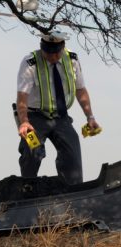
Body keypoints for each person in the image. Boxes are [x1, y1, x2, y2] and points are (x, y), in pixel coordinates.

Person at [16, 30, 100, 185]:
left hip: (61, 118)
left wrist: (90, 117)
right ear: (42, 47)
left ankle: (72, 192)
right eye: (48, 53)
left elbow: (80, 89)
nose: (52, 57)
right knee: (32, 151)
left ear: (63, 48)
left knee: (72, 155)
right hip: (33, 118)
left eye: (56, 53)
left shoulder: (72, 59)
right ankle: (28, 190)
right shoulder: (30, 62)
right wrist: (24, 121)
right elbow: (22, 96)